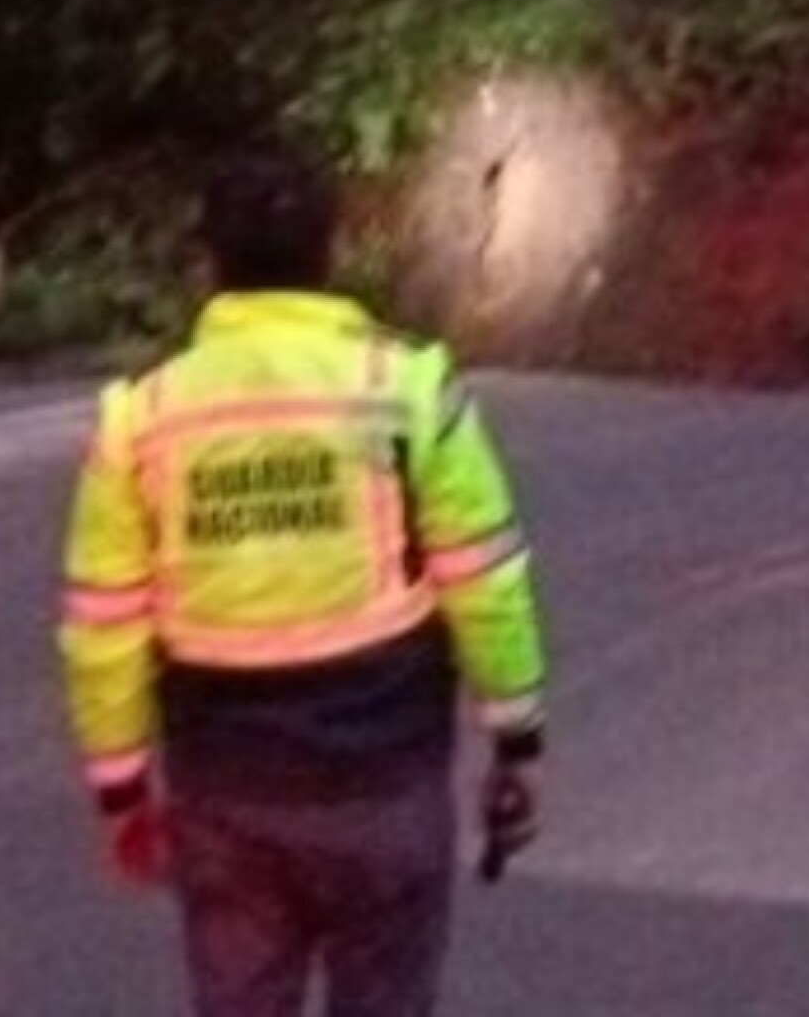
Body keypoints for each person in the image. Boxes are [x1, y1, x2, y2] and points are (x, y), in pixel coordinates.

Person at [56, 146, 549, 1017]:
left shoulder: (141, 416)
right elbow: (485, 580)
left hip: (224, 794)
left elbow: (104, 624)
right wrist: (517, 740)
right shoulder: (408, 386)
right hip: (385, 785)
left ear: (209, 261)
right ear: (332, 249)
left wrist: (122, 789)